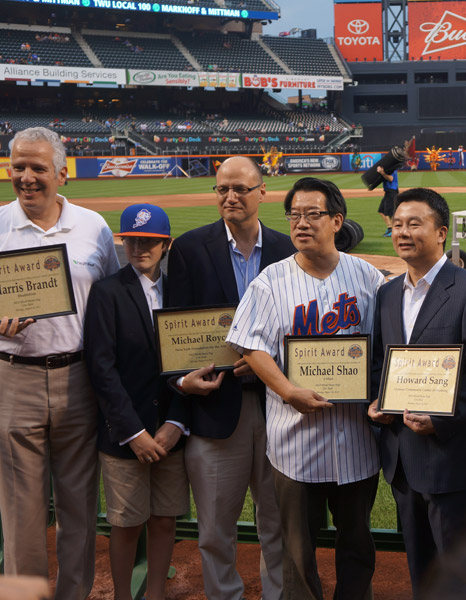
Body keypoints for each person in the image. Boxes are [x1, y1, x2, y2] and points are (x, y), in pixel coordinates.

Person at [227, 177, 384, 600]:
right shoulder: (270, 281)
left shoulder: (368, 276)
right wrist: (287, 390)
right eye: (294, 215)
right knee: (297, 552)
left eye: (312, 214)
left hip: (355, 438)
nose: (301, 223)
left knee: (357, 543)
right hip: (295, 443)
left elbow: (388, 346)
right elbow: (251, 346)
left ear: (337, 220)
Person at [166, 156, 295, 600]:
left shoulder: (285, 249)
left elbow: (300, 327)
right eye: (222, 189)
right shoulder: (188, 248)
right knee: (216, 529)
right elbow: (177, 330)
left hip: (278, 406)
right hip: (216, 407)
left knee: (277, 521)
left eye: (240, 188)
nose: (230, 197)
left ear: (262, 192)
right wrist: (185, 379)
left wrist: (265, 360)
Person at [0, 126, 119, 599]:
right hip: (14, 378)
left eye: (38, 168)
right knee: (20, 512)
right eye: (18, 168)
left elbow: (114, 301)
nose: (27, 177)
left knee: (79, 510)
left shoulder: (94, 226)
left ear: (62, 174)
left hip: (79, 378)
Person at [368, 188, 466, 598]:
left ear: (442, 232)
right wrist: (377, 402)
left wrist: (442, 418)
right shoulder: (387, 292)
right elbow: (379, 363)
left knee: (459, 573)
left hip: (451, 457)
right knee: (421, 569)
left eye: (414, 224)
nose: (402, 232)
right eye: (397, 225)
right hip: (403, 458)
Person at [85, 204, 188, 600]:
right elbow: (102, 369)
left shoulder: (180, 291)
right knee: (126, 524)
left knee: (164, 519)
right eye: (132, 239)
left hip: (171, 431)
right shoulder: (107, 291)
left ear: (166, 244)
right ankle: (124, 596)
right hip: (125, 434)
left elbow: (191, 363)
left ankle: (157, 593)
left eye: (150, 240)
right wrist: (133, 432)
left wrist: (176, 424)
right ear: (122, 241)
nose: (140, 246)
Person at [377, 164, 398, 237]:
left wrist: (382, 173)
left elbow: (391, 179)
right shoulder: (388, 169)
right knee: (381, 210)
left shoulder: (391, 169)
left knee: (389, 213)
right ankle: (389, 228)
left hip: (391, 192)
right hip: (388, 192)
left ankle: (393, 230)